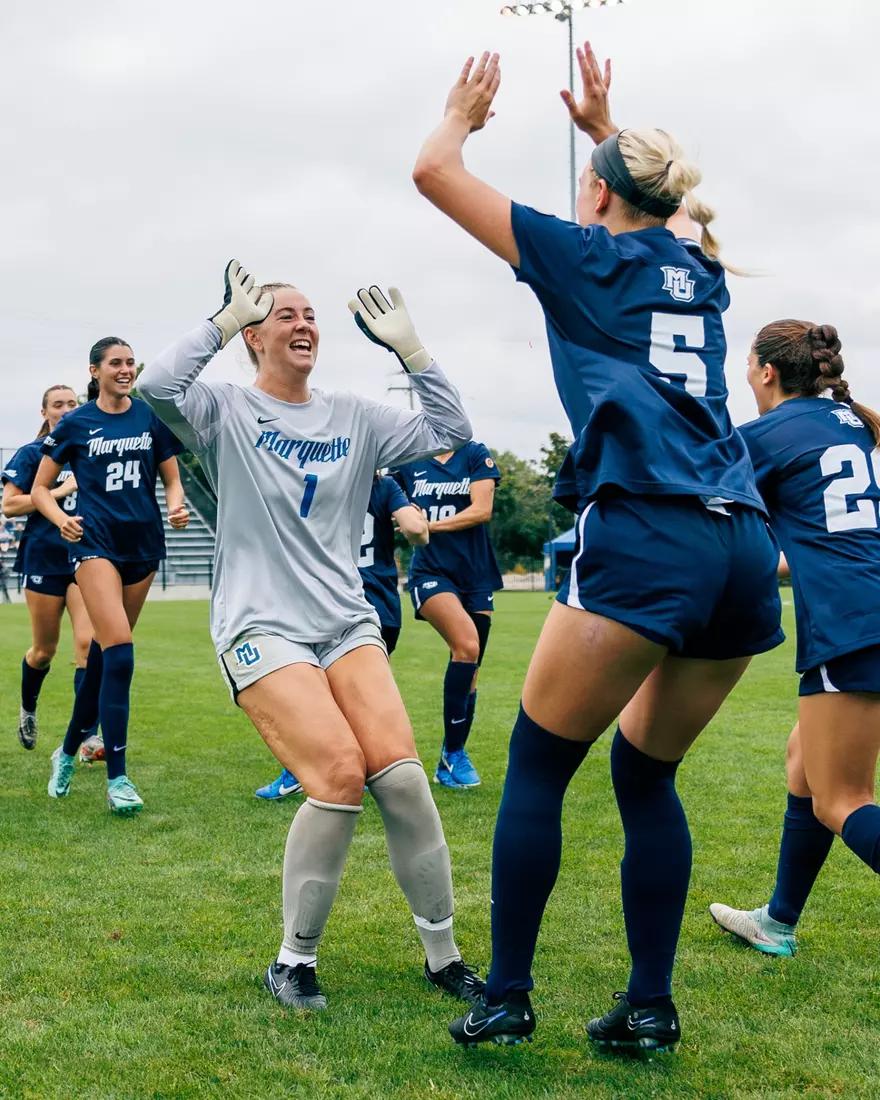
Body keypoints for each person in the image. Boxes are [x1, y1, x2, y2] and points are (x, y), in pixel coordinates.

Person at [412, 47, 783, 1051]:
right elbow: (672, 210)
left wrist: (460, 113)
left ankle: (509, 994)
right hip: (743, 539)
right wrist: (606, 130)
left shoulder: (585, 253)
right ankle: (648, 1005)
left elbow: (431, 173)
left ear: (597, 193)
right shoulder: (698, 267)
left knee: (536, 767)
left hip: (649, 523)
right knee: (644, 775)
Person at [138, 262, 484, 1012]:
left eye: (311, 315)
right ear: (254, 336)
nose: (303, 324)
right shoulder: (222, 407)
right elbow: (156, 386)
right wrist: (222, 319)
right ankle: (293, 962)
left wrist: (412, 349)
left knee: (402, 779)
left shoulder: (354, 416)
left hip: (344, 622)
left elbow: (453, 432)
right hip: (260, 624)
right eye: (282, 314)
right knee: (336, 774)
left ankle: (443, 957)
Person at [709, 323, 880, 958]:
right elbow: (808, 542)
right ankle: (778, 922)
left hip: (851, 621)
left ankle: (779, 922)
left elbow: (713, 515)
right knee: (802, 764)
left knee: (843, 800)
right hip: (864, 607)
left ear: (766, 373)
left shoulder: (765, 435)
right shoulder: (848, 421)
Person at [31, 339, 189, 815]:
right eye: (115, 364)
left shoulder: (149, 416)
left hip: (143, 548)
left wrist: (177, 504)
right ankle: (118, 778)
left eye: (128, 363)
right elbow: (40, 489)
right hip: (93, 545)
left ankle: (65, 749)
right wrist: (61, 520)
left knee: (103, 659)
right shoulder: (76, 423)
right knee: (119, 653)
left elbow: (172, 478)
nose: (125, 370)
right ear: (95, 371)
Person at [255, 472, 429, 800]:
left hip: (330, 601)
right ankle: (374, 772)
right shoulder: (385, 486)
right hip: (381, 606)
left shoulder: (324, 481)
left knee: (317, 692)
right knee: (364, 695)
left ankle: (302, 770)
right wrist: (417, 520)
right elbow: (417, 532)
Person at [394, 442, 502, 789]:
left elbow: (481, 509)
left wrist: (428, 527)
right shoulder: (411, 460)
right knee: (467, 646)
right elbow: (382, 495)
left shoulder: (474, 454)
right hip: (430, 571)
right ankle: (455, 755)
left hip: (476, 574)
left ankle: (448, 760)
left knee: (471, 670)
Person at [2, 386, 100, 755]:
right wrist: (57, 493)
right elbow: (10, 506)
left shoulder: (90, 450)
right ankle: (28, 708)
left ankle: (87, 734)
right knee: (44, 650)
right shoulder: (31, 453)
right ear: (44, 412)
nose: (66, 410)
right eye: (58, 405)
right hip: (44, 559)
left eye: (72, 403)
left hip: (86, 558)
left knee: (90, 646)